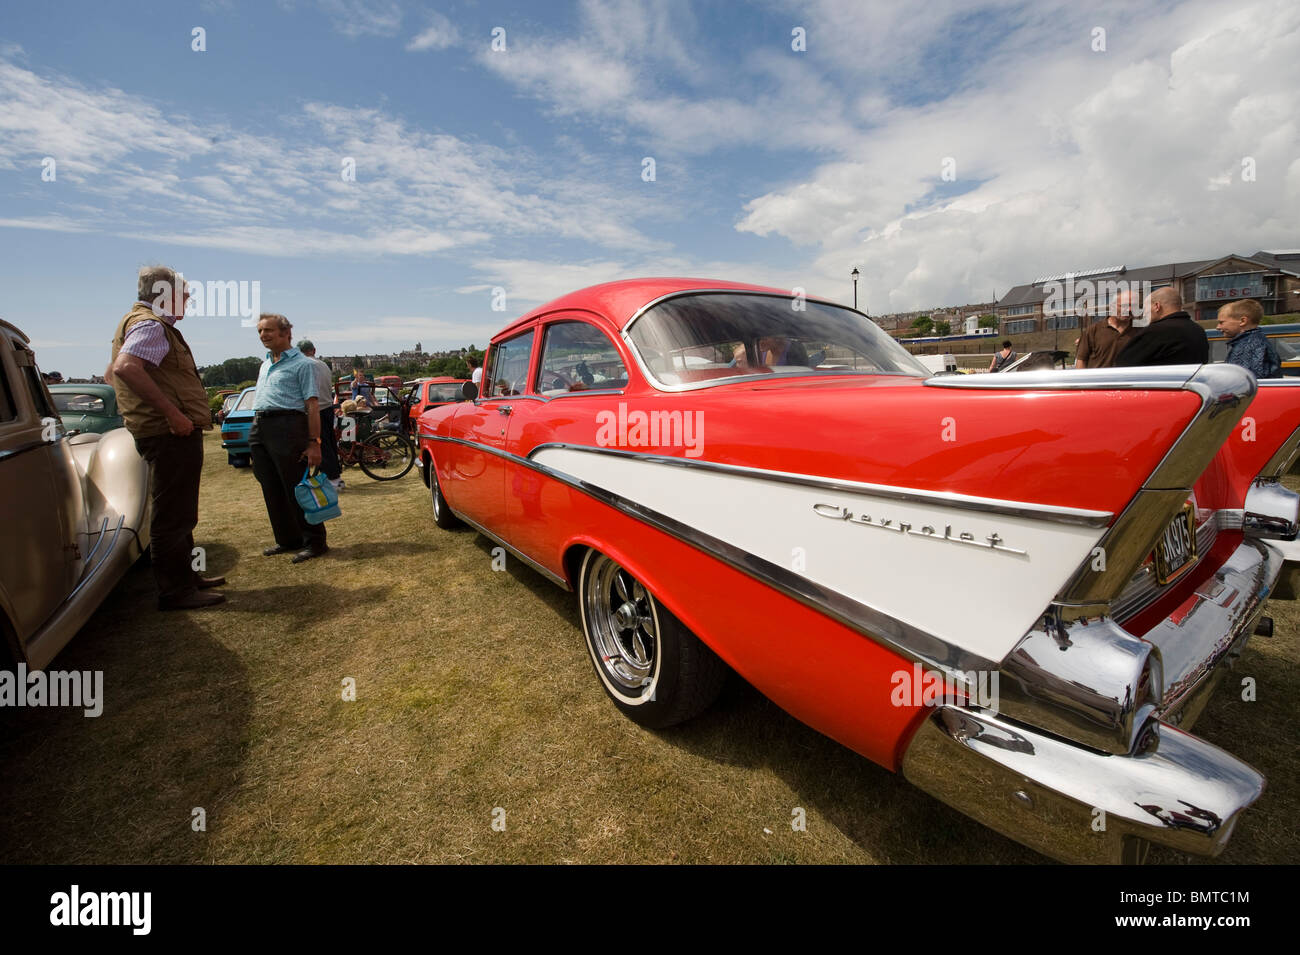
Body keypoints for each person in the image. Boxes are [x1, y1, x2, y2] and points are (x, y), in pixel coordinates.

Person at [109, 265, 226, 610]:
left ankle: (188, 577)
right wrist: (172, 414)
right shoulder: (150, 324)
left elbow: (112, 371)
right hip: (169, 432)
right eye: (184, 295)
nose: (187, 301)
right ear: (164, 295)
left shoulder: (135, 322)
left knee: (180, 510)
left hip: (163, 430)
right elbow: (125, 368)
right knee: (173, 514)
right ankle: (177, 591)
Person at [249, 314, 328, 564]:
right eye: (260, 331)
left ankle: (315, 541)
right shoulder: (264, 364)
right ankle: (287, 539)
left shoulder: (302, 364)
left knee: (297, 486)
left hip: (288, 426)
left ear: (286, 333)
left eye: (269, 330)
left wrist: (314, 441)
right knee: (270, 485)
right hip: (260, 426)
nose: (263, 335)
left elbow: (312, 406)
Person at [1115, 287, 1208, 366]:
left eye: (1145, 308)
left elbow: (1122, 363)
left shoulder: (1154, 332)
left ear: (1156, 306)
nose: (1144, 313)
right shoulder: (1198, 330)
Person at [298, 340, 344, 490]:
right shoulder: (323, 364)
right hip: (327, 407)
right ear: (314, 350)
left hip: (315, 409)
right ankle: (335, 475)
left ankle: (333, 479)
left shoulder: (305, 365)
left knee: (321, 444)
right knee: (329, 443)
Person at [1075, 289, 1141, 368]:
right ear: (1112, 306)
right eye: (1124, 305)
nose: (1129, 309)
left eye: (1133, 306)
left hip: (1129, 379)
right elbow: (1081, 360)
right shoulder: (1093, 331)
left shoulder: (1140, 332)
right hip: (1100, 380)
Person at [1218, 299, 1281, 378]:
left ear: (1243, 321)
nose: (1218, 327)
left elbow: (1241, 381)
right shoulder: (1256, 341)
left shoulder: (1247, 347)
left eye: (1221, 322)